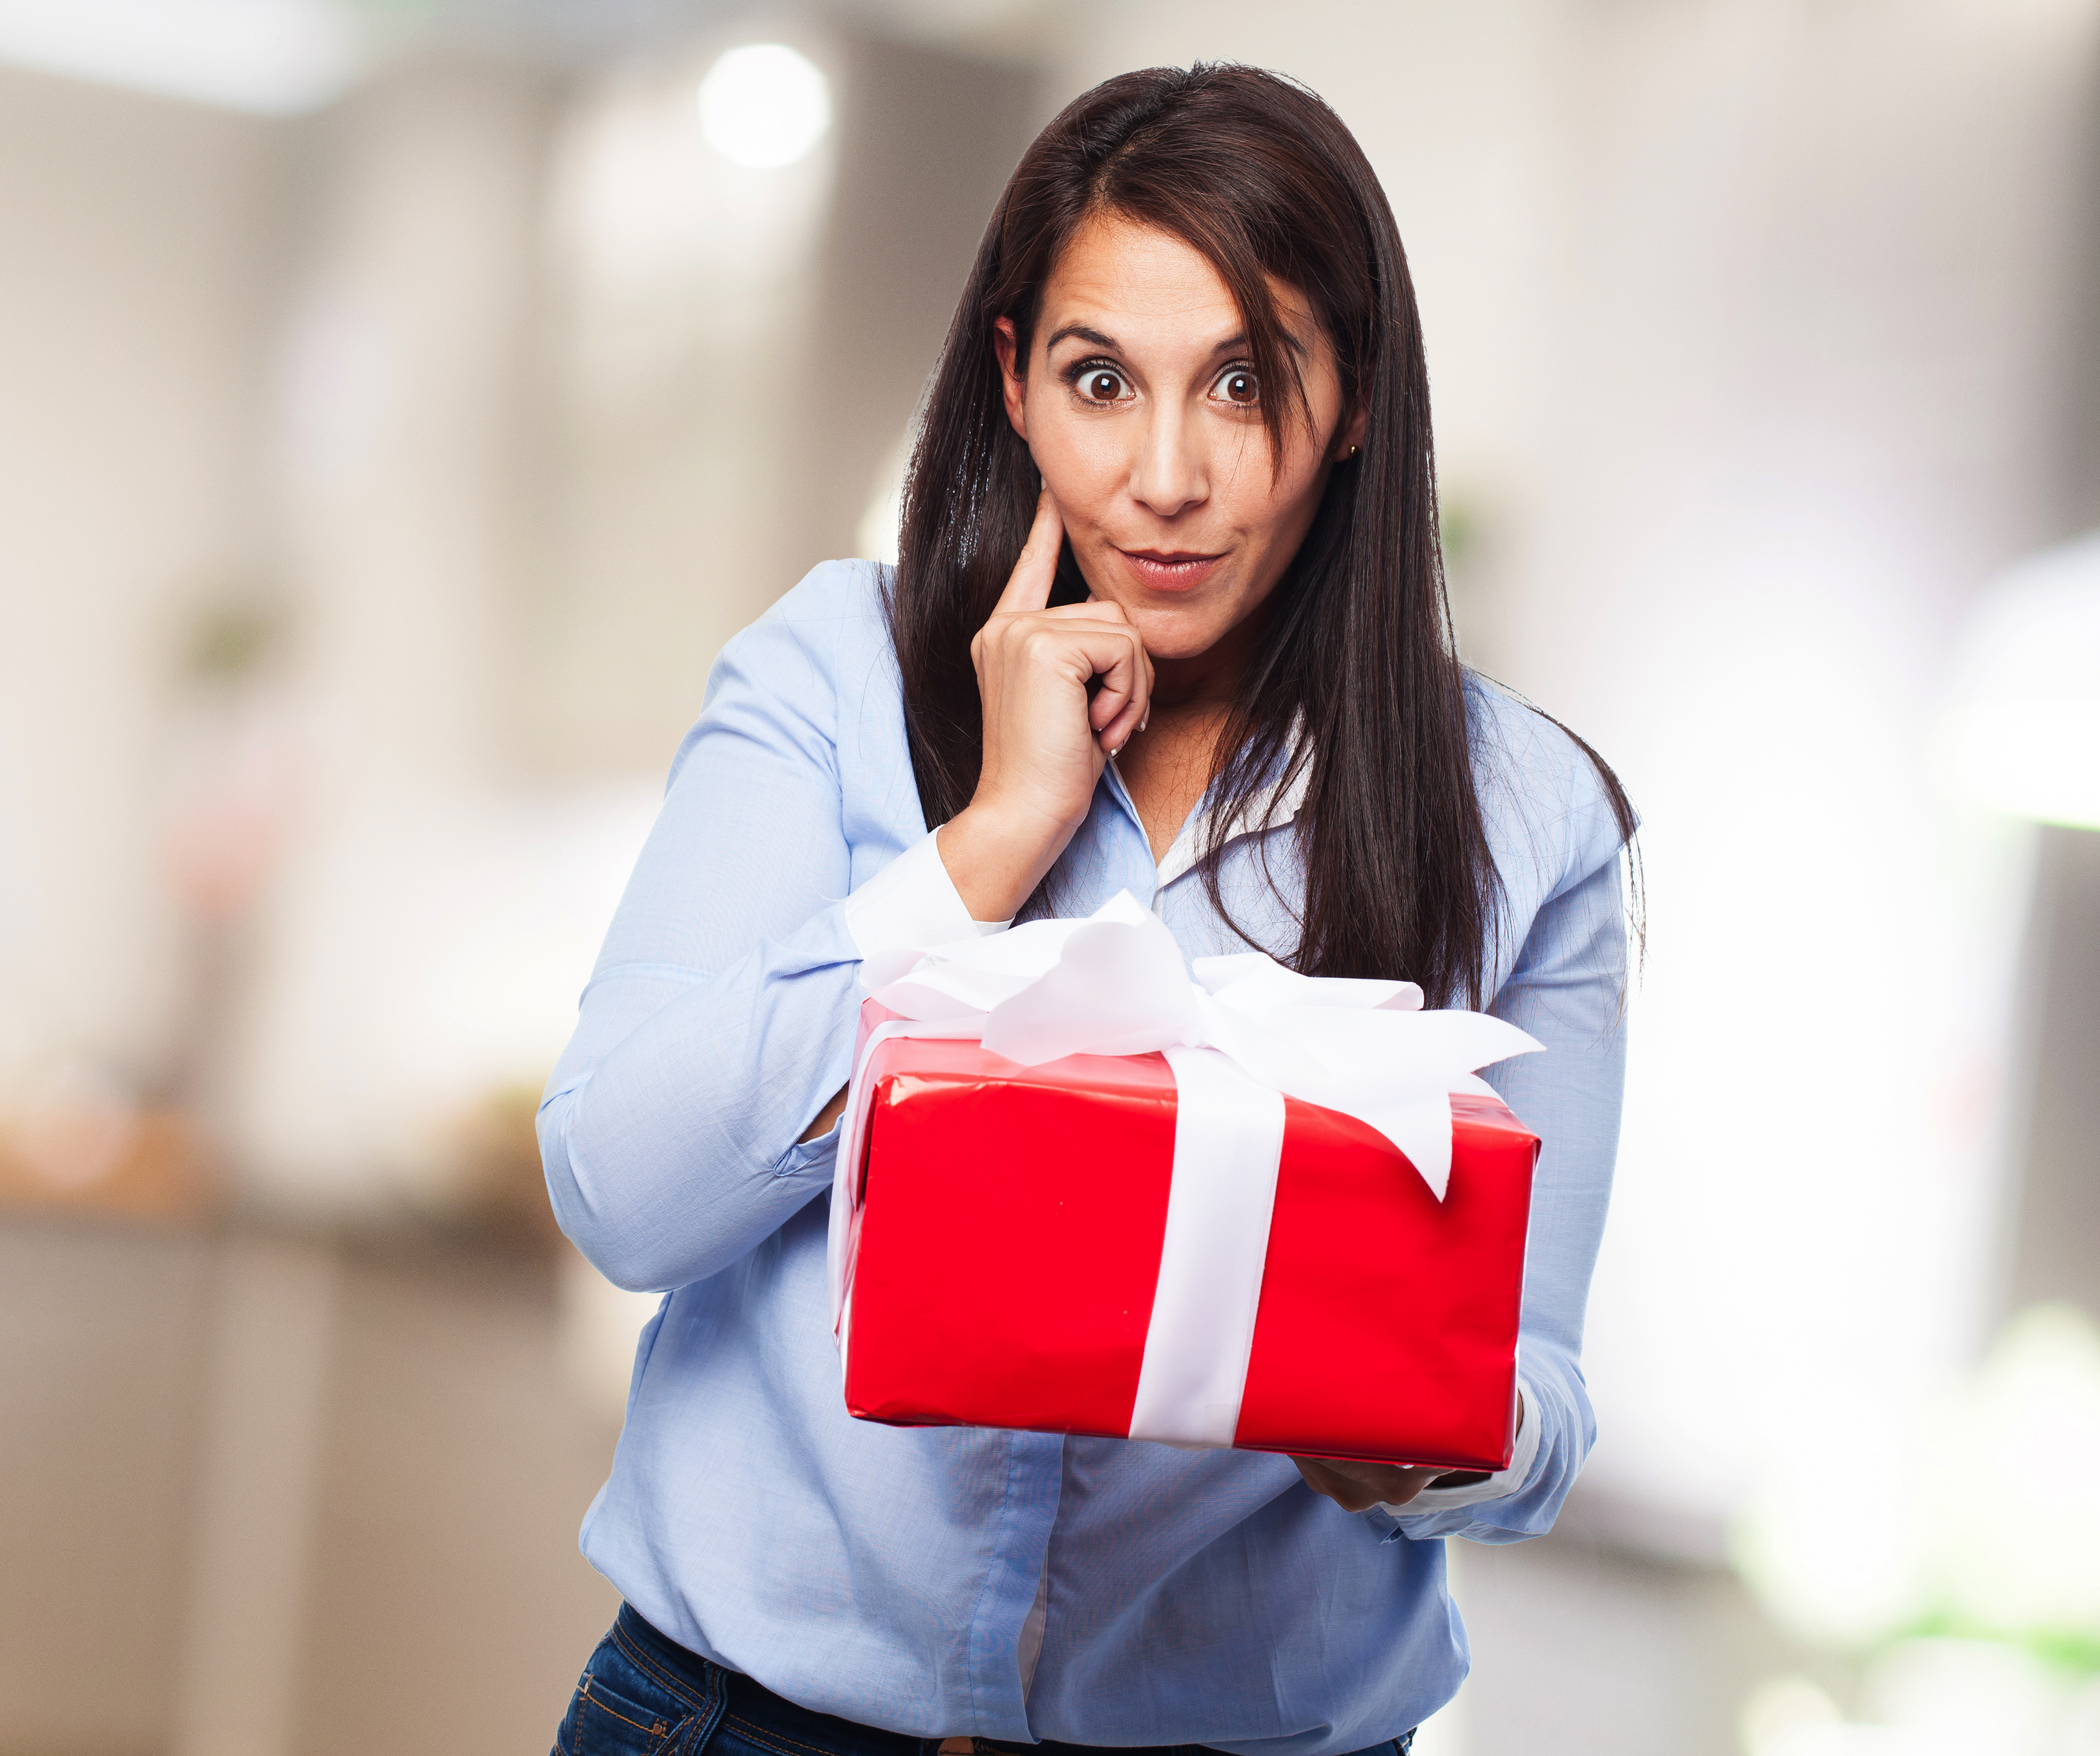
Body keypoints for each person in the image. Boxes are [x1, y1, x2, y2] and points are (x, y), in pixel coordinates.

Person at [538, 61, 1635, 1756]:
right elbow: (621, 1190)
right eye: (1100, 379)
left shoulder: (1523, 813)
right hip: (740, 1722)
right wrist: (992, 835)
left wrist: (1398, 1422)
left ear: (1351, 403)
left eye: (1246, 383)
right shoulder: (833, 675)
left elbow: (1536, 1411)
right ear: (1013, 381)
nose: (1168, 475)